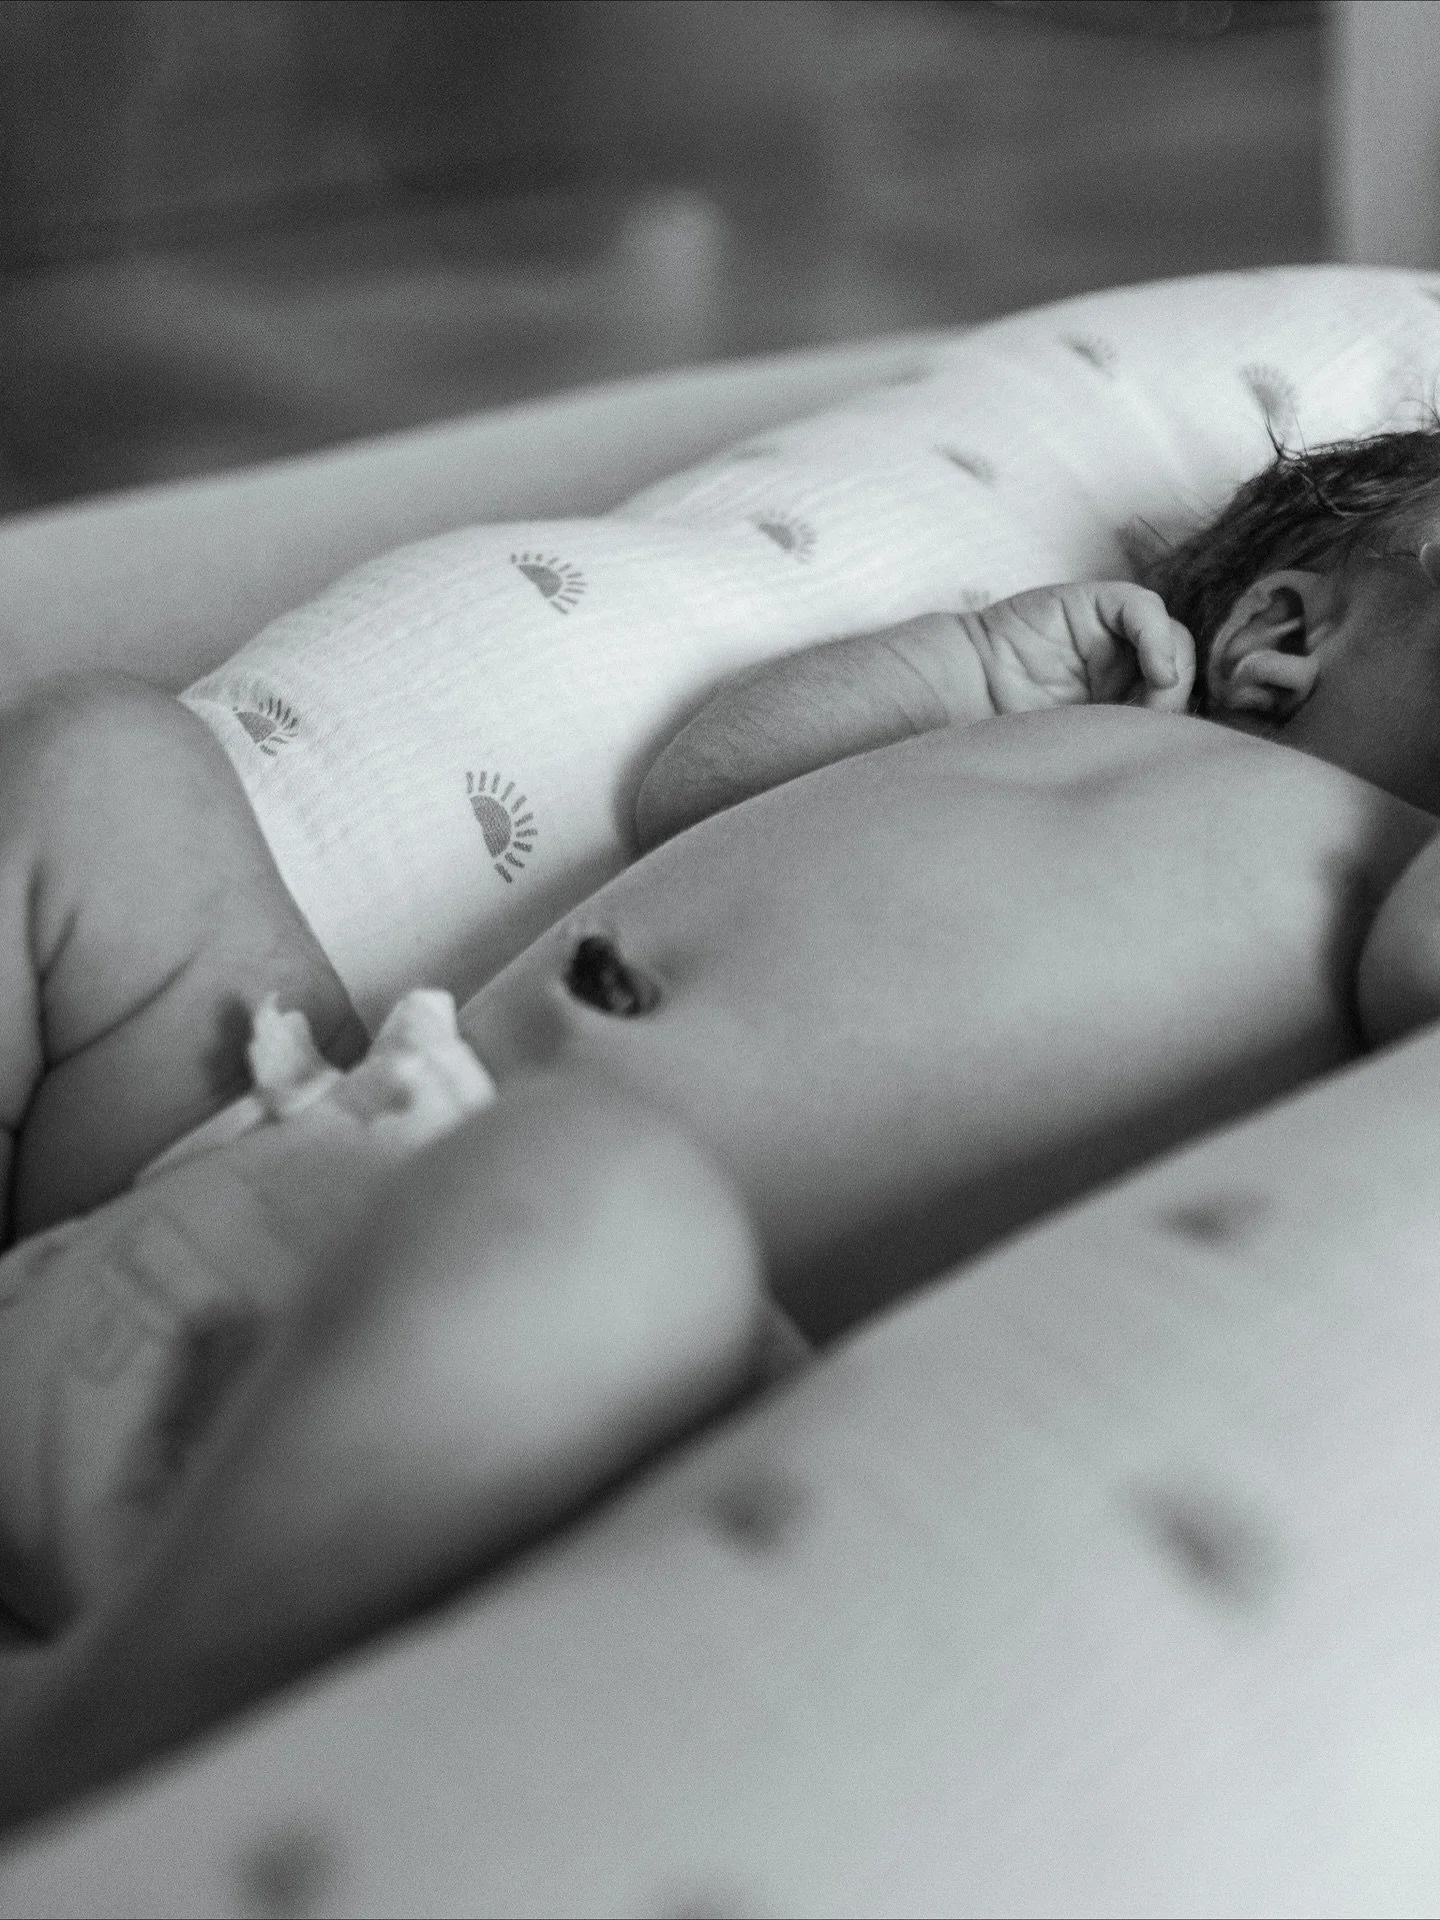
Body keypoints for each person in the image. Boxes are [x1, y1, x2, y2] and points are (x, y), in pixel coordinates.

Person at [7, 427, 1440, 1827]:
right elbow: (693, 784)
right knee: (105, 764)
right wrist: (968, 665)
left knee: (598, 1195)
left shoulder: (1392, 908)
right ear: (1277, 637)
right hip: (282, 1137)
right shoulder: (1060, 723)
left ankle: (88, 1738)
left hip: (549, 1384)